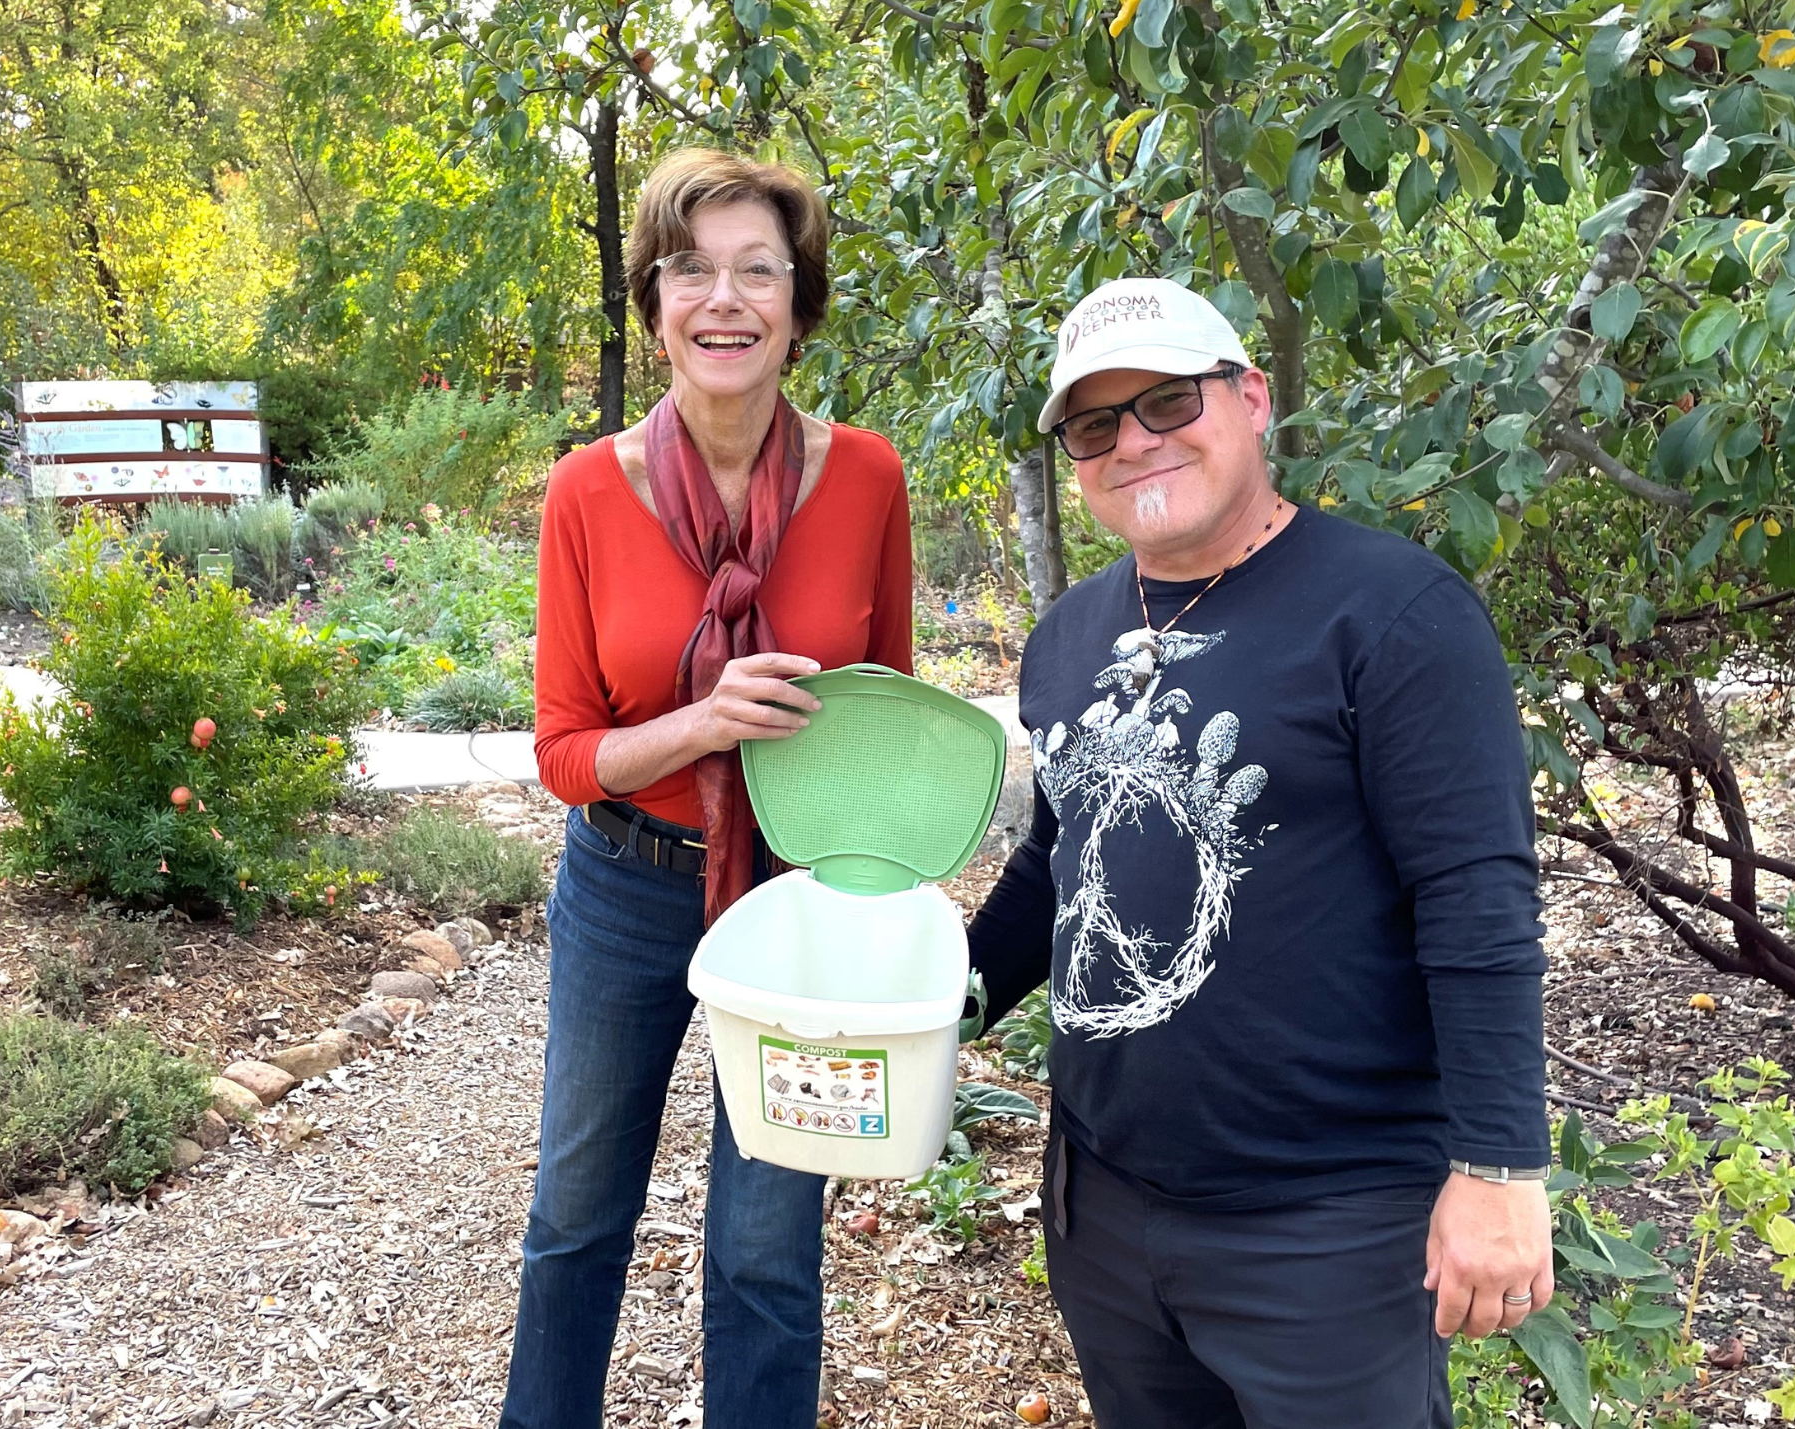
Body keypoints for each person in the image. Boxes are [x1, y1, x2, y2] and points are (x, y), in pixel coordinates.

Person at [965, 277, 1551, 1428]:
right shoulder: (1070, 632)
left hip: (1325, 1228)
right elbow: (1054, 863)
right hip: (1104, 1207)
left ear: (1249, 399)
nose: (1133, 441)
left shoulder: (1392, 614)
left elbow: (1474, 898)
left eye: (1167, 402)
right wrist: (940, 1006)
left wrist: (1497, 1169)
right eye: (1094, 424)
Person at [505, 149, 912, 1429]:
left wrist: (882, 903)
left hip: (797, 904)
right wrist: (699, 723)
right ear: (654, 300)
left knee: (766, 1246)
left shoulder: (869, 478)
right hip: (626, 888)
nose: (722, 299)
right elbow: (564, 751)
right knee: (575, 1217)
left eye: (757, 271)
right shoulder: (584, 488)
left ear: (799, 306)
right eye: (691, 270)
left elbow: (885, 720)